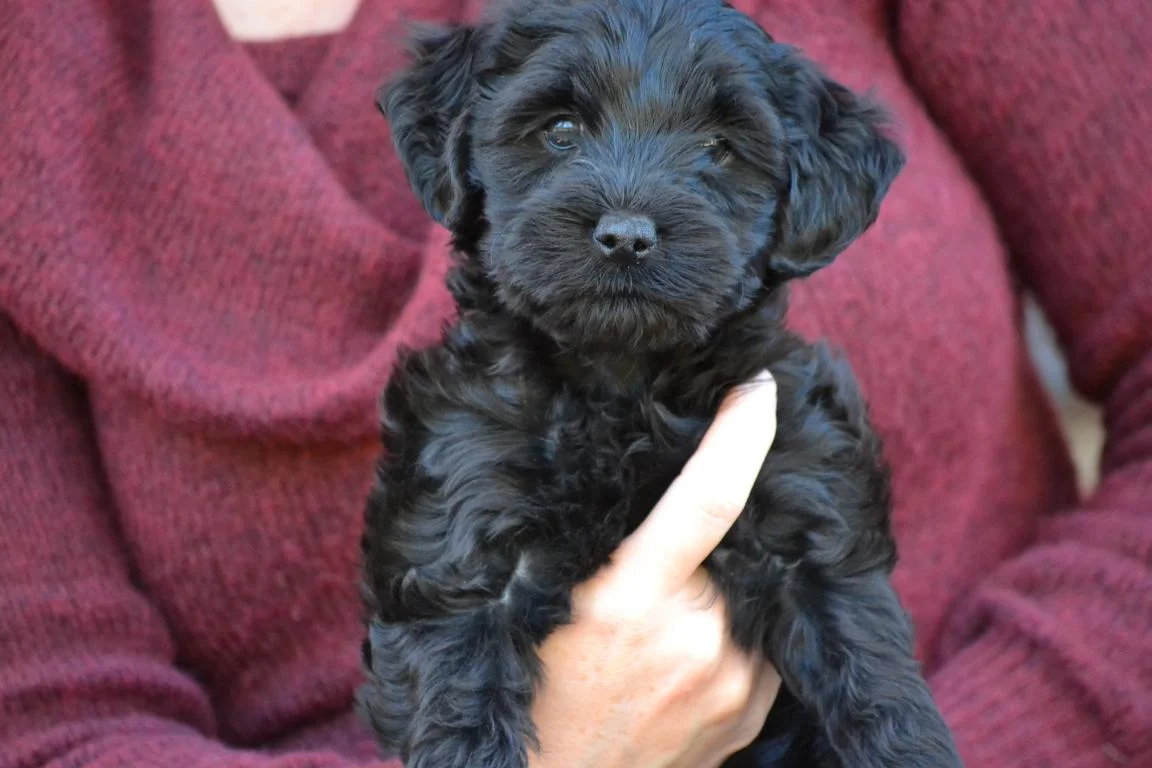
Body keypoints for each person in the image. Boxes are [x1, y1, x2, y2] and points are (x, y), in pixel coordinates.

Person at [0, 0, 1149, 766]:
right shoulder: (469, 443)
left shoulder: (790, 432)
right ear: (462, 157)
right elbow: (49, 725)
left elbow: (874, 694)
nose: (628, 214)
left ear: (804, 198)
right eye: (554, 129)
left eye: (716, 151)